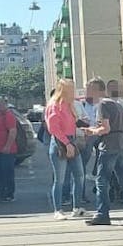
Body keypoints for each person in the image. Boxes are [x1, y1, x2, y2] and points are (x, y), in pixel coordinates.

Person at [84, 78, 123, 225]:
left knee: (102, 180)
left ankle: (102, 213)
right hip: (120, 144)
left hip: (109, 145)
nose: (87, 93)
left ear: (96, 89)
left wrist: (91, 131)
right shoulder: (117, 104)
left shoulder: (103, 105)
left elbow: (105, 128)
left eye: (88, 89)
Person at [45, 80, 86, 219]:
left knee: (79, 175)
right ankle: (58, 210)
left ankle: (77, 207)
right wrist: (67, 143)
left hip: (71, 140)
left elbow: (73, 123)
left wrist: (87, 128)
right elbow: (53, 128)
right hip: (59, 143)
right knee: (60, 179)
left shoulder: (69, 105)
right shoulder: (54, 106)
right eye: (71, 89)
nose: (73, 92)